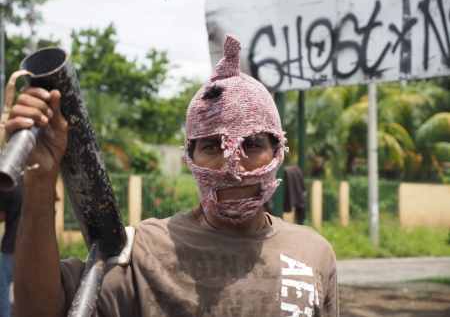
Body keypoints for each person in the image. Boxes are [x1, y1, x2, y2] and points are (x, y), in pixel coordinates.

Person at [7, 34, 338, 316]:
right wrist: (39, 179)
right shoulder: (143, 253)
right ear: (188, 157)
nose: (232, 166)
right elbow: (39, 310)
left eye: (251, 144)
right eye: (212, 146)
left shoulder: (313, 253)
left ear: (278, 152)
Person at [0, 176, 23, 317]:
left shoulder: (6, 184)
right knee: (30, 289)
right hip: (34, 247)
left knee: (2, 289)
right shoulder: (30, 180)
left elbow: (1, 216)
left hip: (12, 245)